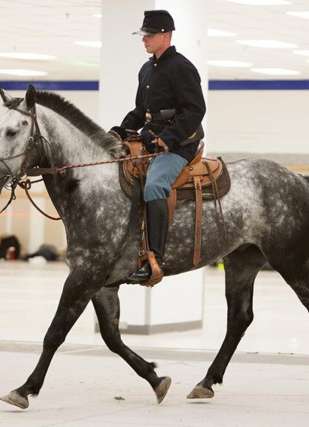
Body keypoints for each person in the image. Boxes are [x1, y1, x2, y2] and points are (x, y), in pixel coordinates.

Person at [110, 9, 206, 283]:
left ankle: (155, 257)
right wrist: (120, 129)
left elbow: (195, 110)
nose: (144, 40)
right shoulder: (146, 69)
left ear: (165, 35)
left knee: (154, 185)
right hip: (151, 141)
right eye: (143, 36)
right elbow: (141, 110)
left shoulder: (182, 67)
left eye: (149, 35)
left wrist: (170, 137)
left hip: (178, 145)